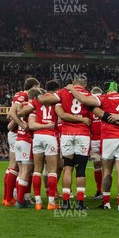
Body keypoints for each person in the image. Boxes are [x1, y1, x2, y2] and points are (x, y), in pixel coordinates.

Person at [67, 80, 119, 212]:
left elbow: (84, 100)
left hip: (109, 138)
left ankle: (106, 202)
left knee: (107, 171)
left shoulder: (103, 98)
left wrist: (72, 89)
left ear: (108, 91)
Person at [38, 79, 92, 210]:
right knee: (81, 169)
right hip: (83, 134)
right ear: (85, 85)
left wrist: (38, 95)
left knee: (67, 167)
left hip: (67, 134)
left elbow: (46, 102)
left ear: (73, 84)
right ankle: (79, 203)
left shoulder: (63, 92)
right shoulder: (88, 95)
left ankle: (66, 202)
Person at [19, 80, 61, 210]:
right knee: (52, 170)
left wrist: (21, 106)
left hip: (37, 137)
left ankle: (38, 202)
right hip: (50, 136)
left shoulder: (36, 103)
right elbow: (61, 118)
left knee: (37, 170)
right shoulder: (56, 102)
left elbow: (22, 113)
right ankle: (51, 203)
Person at [2, 77, 40, 206]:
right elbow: (12, 113)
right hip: (19, 135)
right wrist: (22, 125)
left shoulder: (18, 94)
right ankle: (13, 198)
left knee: (16, 167)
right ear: (33, 87)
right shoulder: (24, 95)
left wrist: (14, 122)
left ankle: (12, 197)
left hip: (15, 134)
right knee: (19, 167)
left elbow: (9, 115)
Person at [89, 86, 104, 200]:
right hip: (106, 139)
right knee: (107, 167)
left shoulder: (89, 104)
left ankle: (99, 191)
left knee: (97, 166)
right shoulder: (105, 102)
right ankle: (105, 192)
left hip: (94, 140)